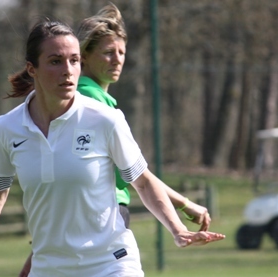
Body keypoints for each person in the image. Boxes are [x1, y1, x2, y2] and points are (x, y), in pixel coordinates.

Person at [0, 19, 225, 277]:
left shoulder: (105, 119)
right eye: (55, 61)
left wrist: (177, 229)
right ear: (33, 69)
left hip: (112, 264)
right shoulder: (7, 128)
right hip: (49, 268)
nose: (68, 70)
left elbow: (143, 182)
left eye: (74, 60)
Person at [18, 4, 212, 277]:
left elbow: (137, 174)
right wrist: (184, 203)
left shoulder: (101, 101)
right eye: (108, 53)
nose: (117, 59)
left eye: (121, 52)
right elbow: (140, 178)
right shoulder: (90, 101)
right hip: (103, 214)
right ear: (84, 57)